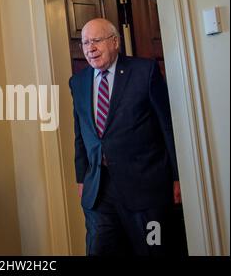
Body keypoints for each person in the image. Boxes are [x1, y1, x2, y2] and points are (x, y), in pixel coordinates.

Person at [69, 18, 182, 256]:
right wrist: (82, 178)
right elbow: (80, 134)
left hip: (146, 189)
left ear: (115, 42)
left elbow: (167, 126)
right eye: (85, 42)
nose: (90, 48)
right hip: (99, 190)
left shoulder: (144, 71)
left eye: (96, 41)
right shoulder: (78, 82)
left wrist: (177, 176)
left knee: (155, 250)